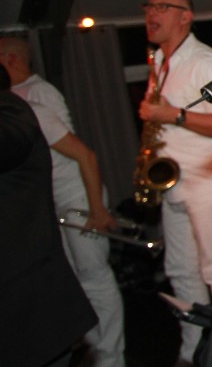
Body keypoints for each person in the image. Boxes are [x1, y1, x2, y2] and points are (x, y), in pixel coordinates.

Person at [0, 36, 125, 367]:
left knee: (95, 278)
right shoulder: (19, 98)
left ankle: (110, 358)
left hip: (76, 194)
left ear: (10, 59)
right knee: (74, 280)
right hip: (53, 201)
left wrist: (97, 208)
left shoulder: (37, 96)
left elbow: (84, 155)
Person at [137, 0, 212, 366]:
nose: (151, 13)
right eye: (149, 7)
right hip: (174, 182)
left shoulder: (203, 60)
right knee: (181, 270)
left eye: (161, 7)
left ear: (185, 16)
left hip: (208, 181)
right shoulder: (158, 61)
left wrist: (174, 116)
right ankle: (193, 348)